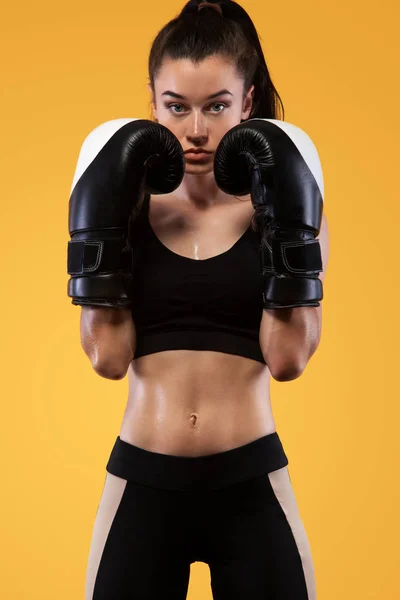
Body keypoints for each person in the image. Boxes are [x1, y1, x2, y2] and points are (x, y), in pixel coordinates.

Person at [67, 1, 329, 598]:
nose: (196, 130)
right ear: (153, 103)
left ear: (248, 102)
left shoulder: (287, 207)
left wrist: (286, 227)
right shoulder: (127, 206)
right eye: (176, 106)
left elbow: (288, 360)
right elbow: (108, 359)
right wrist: (101, 227)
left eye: (216, 106)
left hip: (251, 480)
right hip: (143, 480)